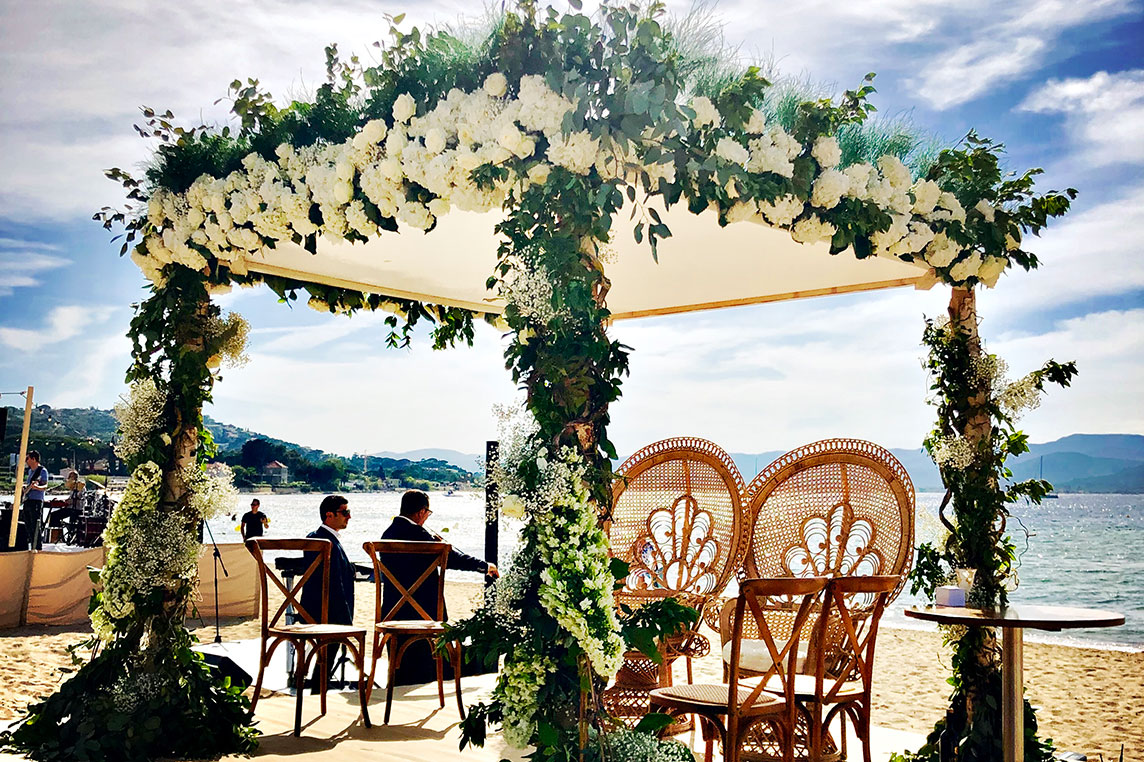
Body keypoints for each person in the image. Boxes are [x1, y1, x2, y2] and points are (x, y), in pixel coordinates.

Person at [379, 489, 499, 684]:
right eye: (428, 513)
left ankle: (399, 680)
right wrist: (484, 566)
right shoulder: (419, 534)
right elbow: (453, 560)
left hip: (392, 611)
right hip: (424, 612)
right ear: (420, 512)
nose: (427, 518)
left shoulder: (387, 534)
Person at [300, 495, 355, 691]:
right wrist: (345, 619)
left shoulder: (324, 538)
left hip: (325, 610)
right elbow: (332, 582)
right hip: (325, 613)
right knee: (329, 649)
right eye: (345, 512)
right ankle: (318, 686)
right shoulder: (321, 539)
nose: (349, 517)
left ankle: (318, 686)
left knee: (328, 653)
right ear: (329, 515)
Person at [22, 451, 48, 550]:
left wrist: (37, 487)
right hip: (28, 500)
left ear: (33, 459)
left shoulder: (42, 471)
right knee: (28, 524)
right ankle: (31, 544)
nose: (26, 461)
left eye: (27, 459)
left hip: (36, 501)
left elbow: (45, 486)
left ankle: (38, 547)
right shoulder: (30, 472)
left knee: (35, 524)